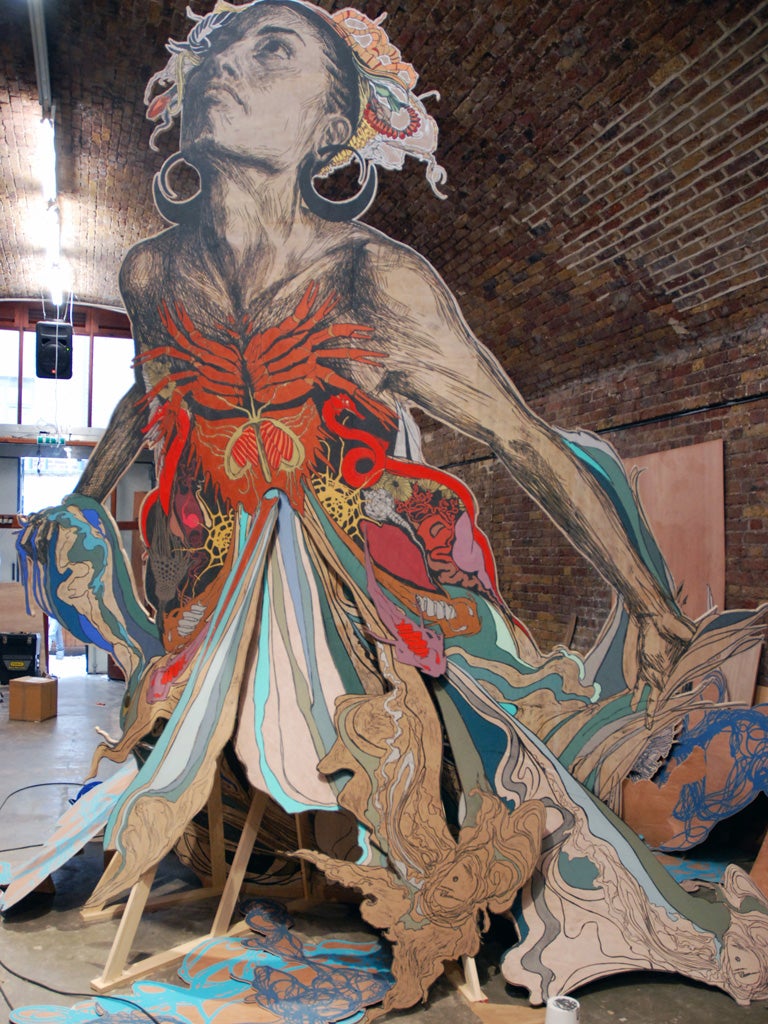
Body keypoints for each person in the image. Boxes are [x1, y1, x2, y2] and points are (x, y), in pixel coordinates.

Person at [22, 0, 702, 896]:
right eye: (216, 50)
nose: (226, 65)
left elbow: (521, 438)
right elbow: (144, 395)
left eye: (272, 52)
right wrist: (80, 498)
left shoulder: (374, 278)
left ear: (331, 127)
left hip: (359, 581)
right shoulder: (150, 271)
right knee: (177, 724)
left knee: (443, 742)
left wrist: (650, 605)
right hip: (215, 579)